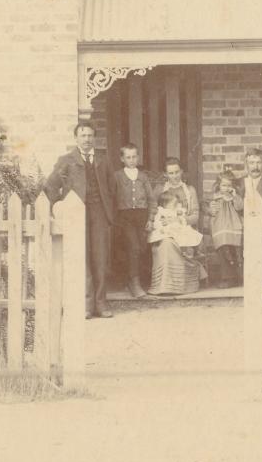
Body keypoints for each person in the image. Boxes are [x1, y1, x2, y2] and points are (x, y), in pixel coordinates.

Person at [44, 122, 116, 317]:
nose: (87, 139)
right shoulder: (66, 160)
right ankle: (86, 304)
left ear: (95, 138)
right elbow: (51, 185)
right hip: (76, 213)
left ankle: (101, 304)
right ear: (76, 138)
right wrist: (57, 207)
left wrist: (108, 210)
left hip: (99, 212)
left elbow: (112, 187)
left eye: (90, 135)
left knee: (100, 257)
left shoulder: (103, 160)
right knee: (81, 256)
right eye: (83, 135)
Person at [110, 143, 157, 298]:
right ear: (122, 158)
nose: (131, 160)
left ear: (138, 157)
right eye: (128, 157)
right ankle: (133, 282)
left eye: (134, 156)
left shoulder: (143, 176)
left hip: (141, 216)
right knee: (133, 247)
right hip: (125, 217)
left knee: (142, 247)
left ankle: (136, 280)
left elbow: (151, 199)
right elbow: (111, 197)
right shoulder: (117, 176)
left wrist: (150, 218)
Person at [147, 186, 203, 296]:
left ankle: (186, 255)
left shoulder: (177, 212)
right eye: (173, 204)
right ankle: (164, 285)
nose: (175, 206)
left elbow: (183, 222)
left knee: (185, 240)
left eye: (176, 204)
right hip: (163, 234)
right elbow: (157, 223)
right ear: (164, 204)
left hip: (176, 233)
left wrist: (179, 219)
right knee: (167, 244)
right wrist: (162, 226)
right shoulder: (161, 212)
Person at [208, 167, 244, 286]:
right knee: (223, 250)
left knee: (235, 250)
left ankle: (237, 277)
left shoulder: (234, 197)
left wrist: (234, 197)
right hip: (220, 226)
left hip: (233, 227)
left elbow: (239, 207)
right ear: (219, 186)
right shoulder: (215, 197)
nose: (226, 188)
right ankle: (228, 277)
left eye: (229, 186)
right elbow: (211, 210)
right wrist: (211, 208)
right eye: (224, 185)